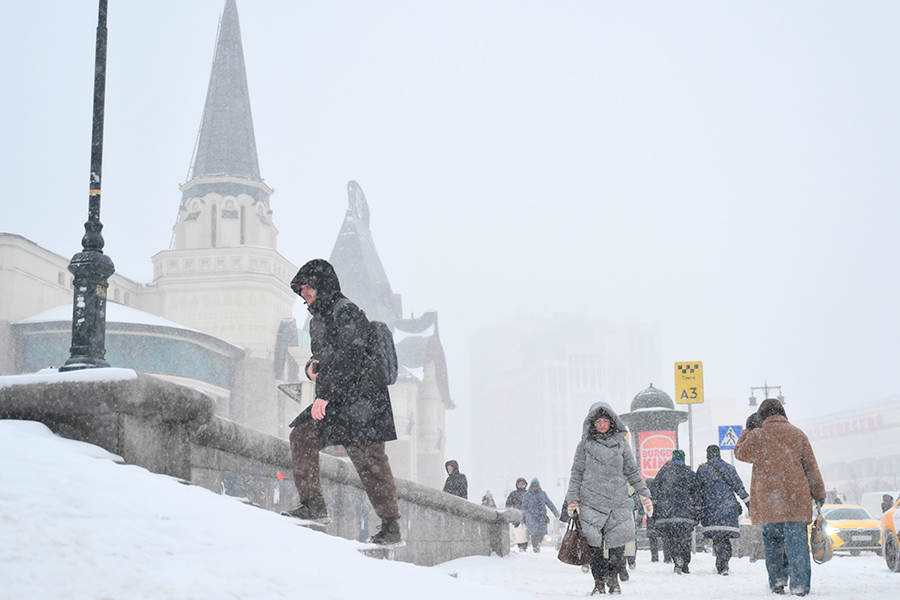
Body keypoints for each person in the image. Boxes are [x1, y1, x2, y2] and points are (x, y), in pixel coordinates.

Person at [284, 259, 402, 546]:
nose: (304, 293)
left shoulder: (346, 311)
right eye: (300, 289)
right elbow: (326, 357)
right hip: (338, 401)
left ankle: (391, 526)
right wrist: (313, 366)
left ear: (322, 285)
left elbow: (351, 357)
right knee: (302, 435)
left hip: (364, 401)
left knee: (370, 461)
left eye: (308, 286)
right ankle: (313, 504)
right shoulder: (317, 320)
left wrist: (324, 395)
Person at [735, 398, 826, 597]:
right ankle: (800, 586)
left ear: (761, 416)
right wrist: (819, 494)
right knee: (797, 545)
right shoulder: (798, 434)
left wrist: (747, 431)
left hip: (769, 501)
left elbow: (740, 453)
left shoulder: (757, 435)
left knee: (773, 542)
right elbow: (811, 468)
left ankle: (777, 582)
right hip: (796, 500)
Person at [564, 402, 652, 595]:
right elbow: (577, 473)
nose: (602, 424)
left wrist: (644, 494)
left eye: (605, 421)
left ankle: (614, 579)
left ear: (612, 423)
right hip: (591, 502)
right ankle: (598, 582)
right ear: (592, 423)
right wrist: (573, 499)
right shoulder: (585, 446)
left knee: (618, 545)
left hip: (616, 501)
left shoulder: (621, 444)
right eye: (599, 421)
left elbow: (632, 471)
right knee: (594, 547)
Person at [697, 444, 750, 575]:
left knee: (718, 538)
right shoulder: (730, 468)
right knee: (725, 537)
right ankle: (724, 563)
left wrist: (697, 510)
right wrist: (750, 505)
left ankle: (722, 564)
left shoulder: (702, 470)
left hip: (711, 509)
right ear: (719, 454)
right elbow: (740, 489)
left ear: (708, 455)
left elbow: (697, 493)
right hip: (728, 508)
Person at [653, 449, 701, 575]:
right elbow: (697, 493)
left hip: (667, 513)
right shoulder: (689, 473)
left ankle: (677, 559)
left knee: (671, 538)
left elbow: (654, 488)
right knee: (685, 538)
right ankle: (685, 562)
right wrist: (697, 510)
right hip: (685, 514)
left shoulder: (663, 472)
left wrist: (655, 509)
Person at [522, 478, 559, 554]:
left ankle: (538, 543)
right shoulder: (527, 495)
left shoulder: (543, 494)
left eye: (537, 486)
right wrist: (522, 517)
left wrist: (556, 512)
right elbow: (523, 507)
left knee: (541, 533)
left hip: (542, 516)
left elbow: (549, 503)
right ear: (531, 486)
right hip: (531, 516)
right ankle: (535, 546)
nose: (535, 488)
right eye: (534, 486)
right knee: (534, 533)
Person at [644, 477, 668, 563]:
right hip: (661, 519)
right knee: (665, 539)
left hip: (651, 519)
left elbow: (643, 507)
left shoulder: (646, 494)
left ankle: (654, 557)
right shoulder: (661, 492)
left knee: (653, 540)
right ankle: (667, 557)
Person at [505, 477, 529, 552]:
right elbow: (508, 504)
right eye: (520, 484)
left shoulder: (528, 493)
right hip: (516, 515)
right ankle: (520, 546)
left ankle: (525, 546)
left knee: (526, 531)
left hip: (526, 515)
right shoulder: (513, 494)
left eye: (523, 484)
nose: (521, 485)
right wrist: (510, 512)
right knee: (518, 531)